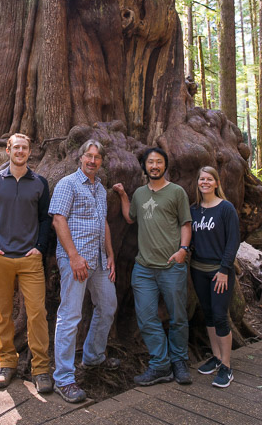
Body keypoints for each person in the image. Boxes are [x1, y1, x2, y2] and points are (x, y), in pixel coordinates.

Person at [0, 133, 53, 393]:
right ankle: (7, 364)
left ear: (29, 152)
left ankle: (41, 370)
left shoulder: (40, 183)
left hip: (30, 260)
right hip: (1, 259)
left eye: (25, 147)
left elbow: (46, 220)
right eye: (16, 147)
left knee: (37, 315)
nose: (20, 151)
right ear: (8, 150)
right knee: (3, 313)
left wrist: (40, 248)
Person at [113, 147, 192, 386]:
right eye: (150, 162)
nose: (154, 166)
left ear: (165, 166)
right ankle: (160, 364)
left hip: (171, 266)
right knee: (147, 318)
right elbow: (130, 217)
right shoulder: (139, 194)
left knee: (178, 317)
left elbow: (185, 224)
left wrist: (183, 251)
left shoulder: (176, 192)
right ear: (145, 167)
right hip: (144, 269)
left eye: (159, 162)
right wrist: (123, 195)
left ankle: (179, 361)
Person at [49, 139, 119, 404]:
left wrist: (110, 253)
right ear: (80, 158)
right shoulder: (68, 184)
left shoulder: (100, 189)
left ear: (101, 161)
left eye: (97, 157)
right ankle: (64, 379)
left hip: (98, 261)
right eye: (88, 156)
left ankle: (93, 357)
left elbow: (103, 223)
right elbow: (58, 219)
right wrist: (74, 256)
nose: (92, 161)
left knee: (108, 306)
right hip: (75, 261)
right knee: (70, 316)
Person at [190, 166, 240, 388]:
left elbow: (233, 241)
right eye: (202, 179)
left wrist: (224, 270)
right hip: (198, 269)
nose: (205, 182)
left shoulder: (226, 209)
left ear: (217, 183)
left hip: (220, 271)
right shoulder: (194, 210)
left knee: (220, 316)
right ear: (198, 183)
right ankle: (217, 357)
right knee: (208, 314)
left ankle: (227, 366)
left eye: (210, 179)